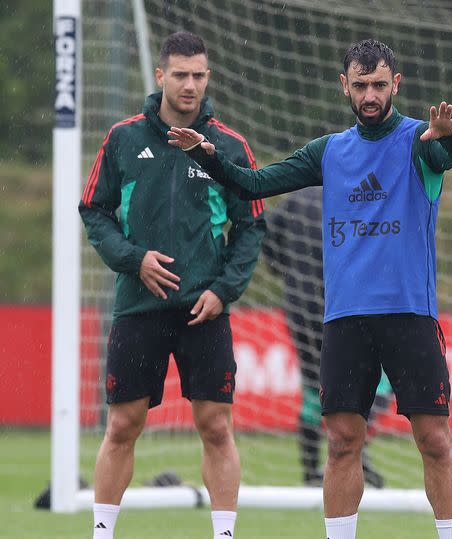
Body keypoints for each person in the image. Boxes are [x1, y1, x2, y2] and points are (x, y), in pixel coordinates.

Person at [169, 38, 452, 539]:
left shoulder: (420, 140)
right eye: (360, 86)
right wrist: (210, 155)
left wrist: (450, 137)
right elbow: (252, 184)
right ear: (344, 87)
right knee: (342, 442)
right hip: (346, 319)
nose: (370, 95)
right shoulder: (328, 151)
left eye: (379, 85)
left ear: (396, 84)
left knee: (434, 439)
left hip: (409, 315)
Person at [79, 31, 266, 539]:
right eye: (180, 74)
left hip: (204, 310)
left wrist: (223, 290)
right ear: (160, 76)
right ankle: (102, 533)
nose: (189, 84)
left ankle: (224, 534)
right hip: (139, 307)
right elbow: (93, 209)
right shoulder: (123, 138)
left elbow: (250, 225)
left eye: (198, 75)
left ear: (208, 78)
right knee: (122, 426)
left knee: (216, 427)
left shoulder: (228, 146)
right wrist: (132, 259)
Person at [262, 186, 390, 488]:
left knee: (313, 390)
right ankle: (355, 453)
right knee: (377, 384)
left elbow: (267, 242)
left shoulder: (294, 200)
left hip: (300, 306)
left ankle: (310, 472)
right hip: (347, 305)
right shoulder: (353, 196)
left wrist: (290, 275)